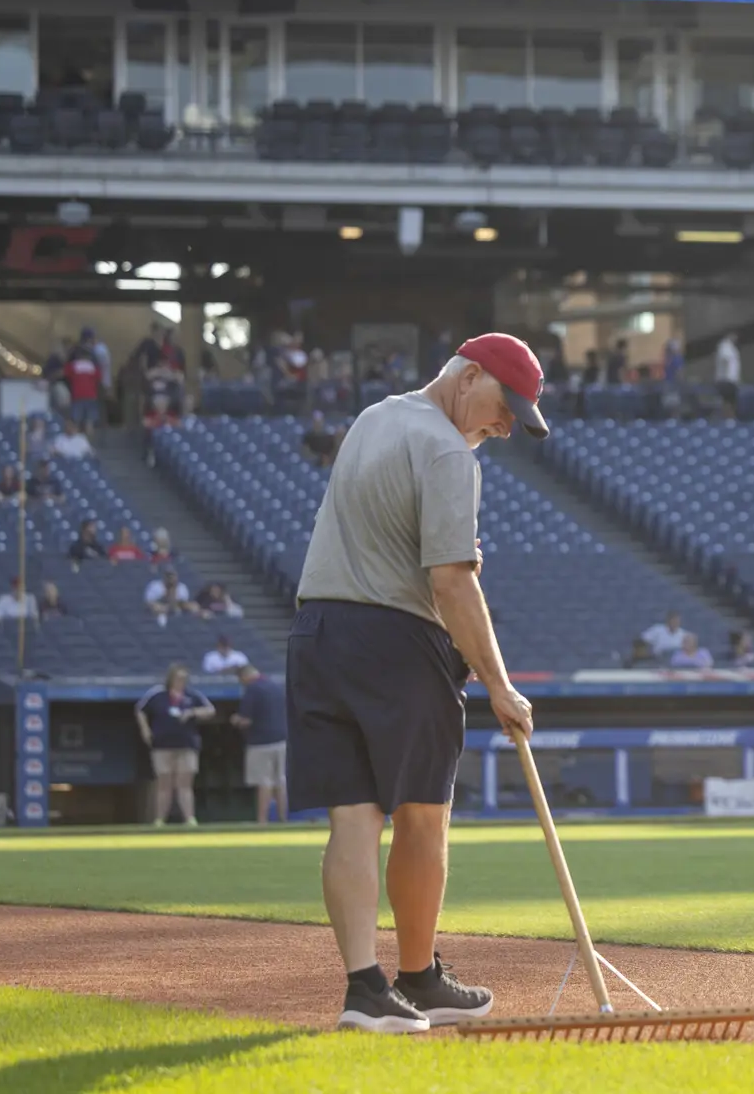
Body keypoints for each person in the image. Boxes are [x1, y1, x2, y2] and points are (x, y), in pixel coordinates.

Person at [289, 333, 543, 1033]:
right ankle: (420, 977)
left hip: (318, 632)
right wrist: (499, 684)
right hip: (398, 642)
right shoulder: (445, 450)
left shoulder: (373, 419)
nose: (506, 424)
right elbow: (451, 582)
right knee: (424, 813)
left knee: (353, 816)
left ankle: (364, 990)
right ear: (467, 377)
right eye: (503, 405)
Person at [136, 664, 215, 826]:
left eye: (184, 678)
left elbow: (210, 710)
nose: (181, 681)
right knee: (164, 783)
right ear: (171, 678)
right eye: (178, 678)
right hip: (162, 745)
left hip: (186, 745)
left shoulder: (192, 695)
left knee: (184, 783)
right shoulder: (157, 694)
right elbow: (140, 710)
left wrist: (192, 712)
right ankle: (160, 819)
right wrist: (145, 730)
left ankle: (189, 818)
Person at [232, 663, 289, 824]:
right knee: (280, 780)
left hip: (260, 742)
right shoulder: (276, 686)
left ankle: (262, 820)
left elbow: (246, 720)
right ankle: (282, 818)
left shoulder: (252, 689)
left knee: (264, 781)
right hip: (281, 740)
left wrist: (235, 720)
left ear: (244, 676)